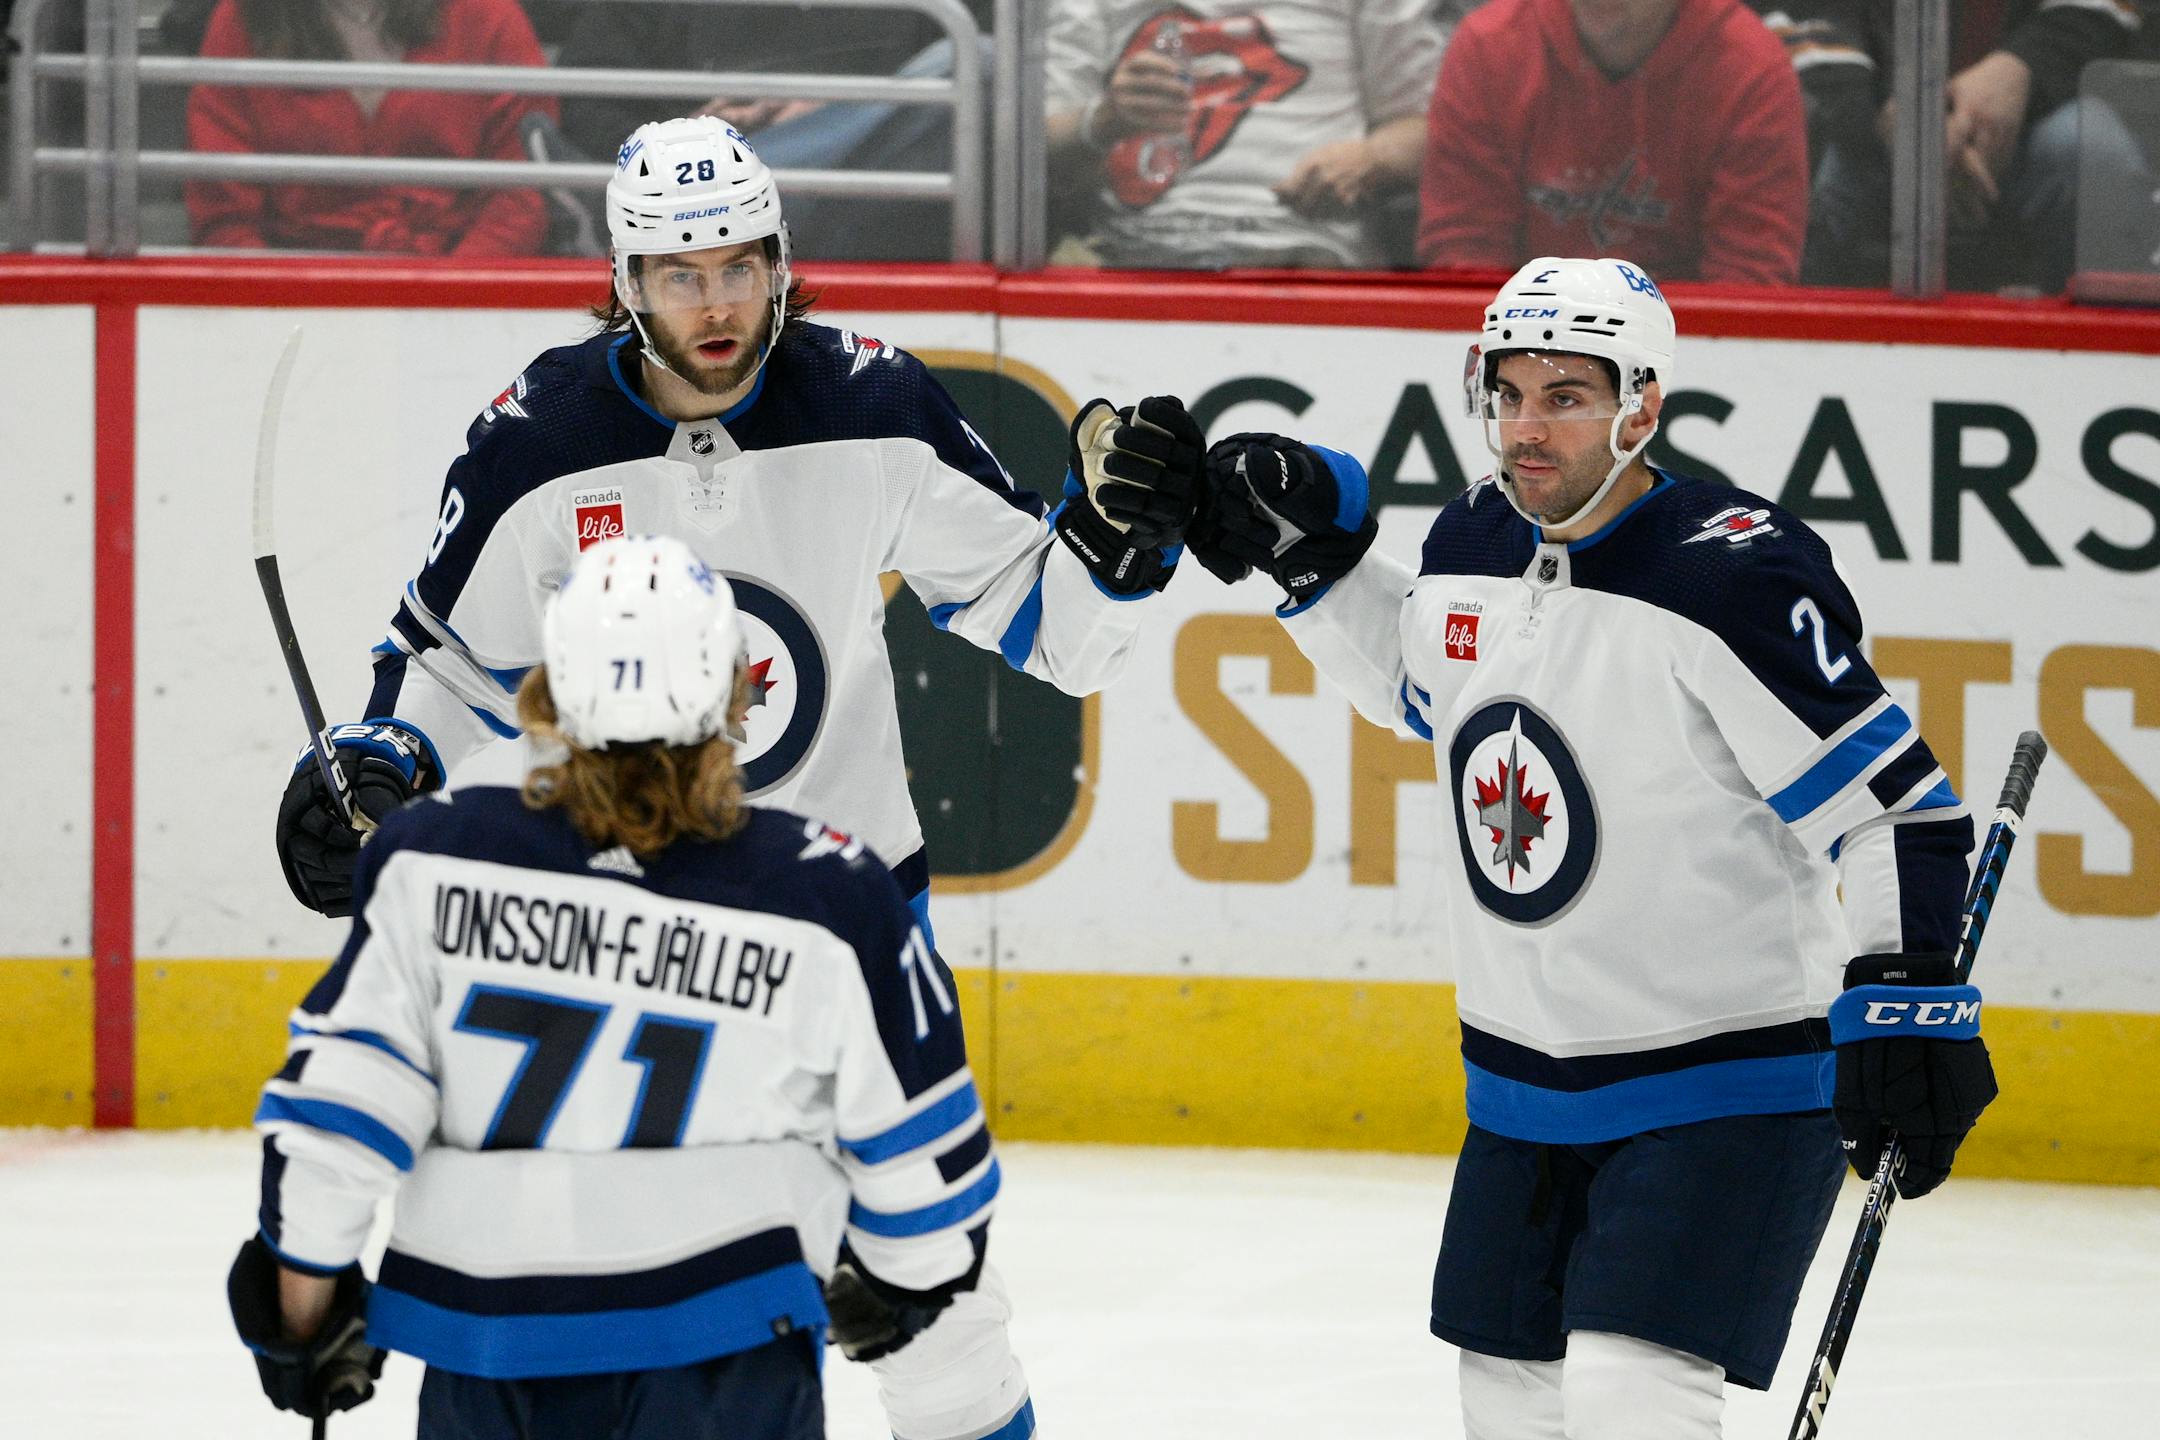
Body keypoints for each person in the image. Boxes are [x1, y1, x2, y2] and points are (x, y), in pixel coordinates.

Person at [271, 114, 1204, 1440]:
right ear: (626, 281)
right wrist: (378, 766)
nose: (716, 301)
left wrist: (1112, 552)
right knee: (647, 1271)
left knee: (940, 1321)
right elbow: (441, 675)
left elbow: (1051, 625)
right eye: (679, 273)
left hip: (838, 910)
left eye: (740, 263)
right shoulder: (536, 437)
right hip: (613, 915)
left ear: (779, 260)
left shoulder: (873, 400)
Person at [1184, 256, 1998, 1438]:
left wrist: (1904, 998)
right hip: (1522, 1087)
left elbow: (1893, 809)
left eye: (1565, 396)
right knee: (1507, 1405)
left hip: (1724, 1085)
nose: (1526, 428)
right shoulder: (1471, 537)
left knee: (1629, 1393)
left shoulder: (1732, 573)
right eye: (1508, 393)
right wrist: (1313, 564)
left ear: (1642, 406)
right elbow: (1426, 693)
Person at [229, 534, 1005, 1438]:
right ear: (739, 698)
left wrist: (303, 1322)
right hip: (730, 1371)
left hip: (490, 1369)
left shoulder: (431, 858)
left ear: (546, 694)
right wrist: (901, 1289)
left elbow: (337, 1118)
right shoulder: (830, 896)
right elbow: (927, 1162)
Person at [555, 1, 994, 261]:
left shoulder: (932, 11)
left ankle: (635, 210)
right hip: (701, 200)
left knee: (977, 59)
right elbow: (584, 109)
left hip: (868, 209)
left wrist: (826, 114)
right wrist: (702, 131)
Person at [1417, 0, 1809, 284]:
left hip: (1689, 351)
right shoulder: (1490, 47)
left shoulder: (1751, 68)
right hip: (1518, 344)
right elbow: (1464, 258)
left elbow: (1747, 280)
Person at [1044, 0, 1443, 269]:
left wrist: (1373, 158)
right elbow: (1030, 150)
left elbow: (1437, 128)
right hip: (1125, 259)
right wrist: (1102, 121)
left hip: (1311, 256)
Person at [1805, 0, 2151, 292]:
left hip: (2029, 112)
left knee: (2092, 151)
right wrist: (1885, 111)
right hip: (1862, 109)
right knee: (1817, 161)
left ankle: (2100, 352)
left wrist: (2019, 67)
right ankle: (1800, 350)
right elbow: (1789, 12)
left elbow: (2107, 7)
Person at [185, 0, 554, 255]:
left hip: (461, 296)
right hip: (289, 298)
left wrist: (450, 297)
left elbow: (521, 198)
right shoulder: (242, 19)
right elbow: (223, 213)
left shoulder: (487, 16)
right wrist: (283, 302)